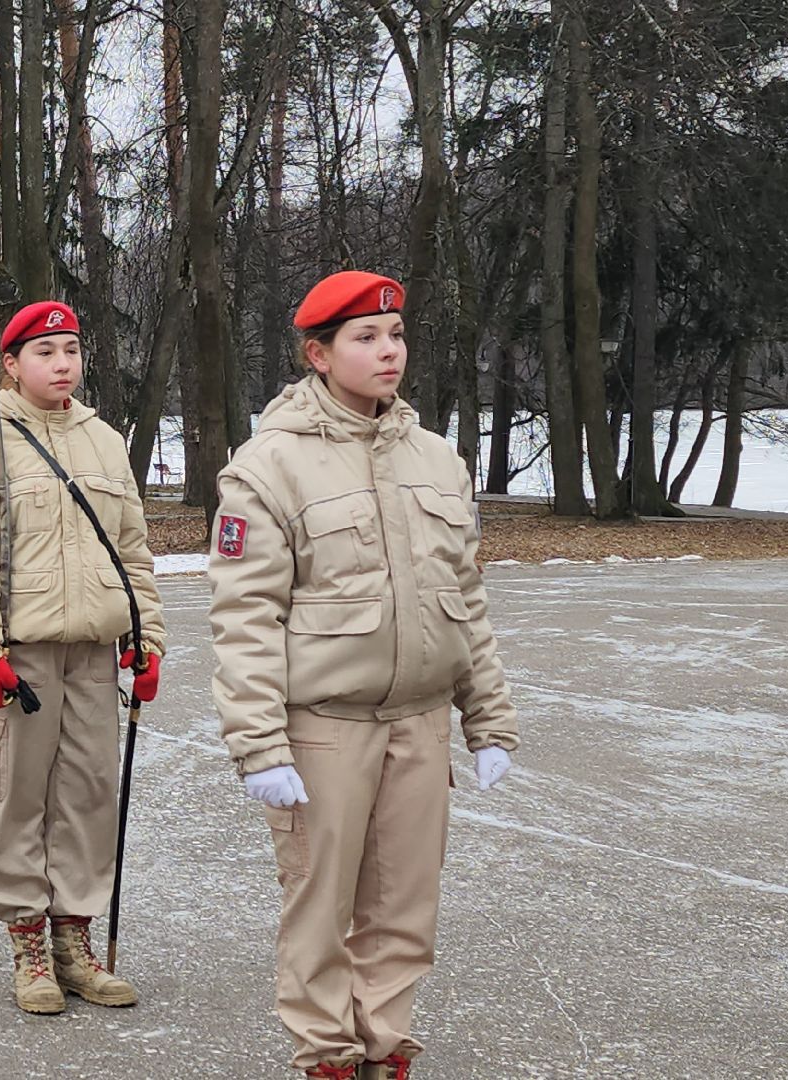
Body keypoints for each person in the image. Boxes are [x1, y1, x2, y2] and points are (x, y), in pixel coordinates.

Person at [207, 271, 520, 1080]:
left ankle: (385, 1052)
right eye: (365, 338)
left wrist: (488, 720)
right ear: (318, 355)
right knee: (321, 909)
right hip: (325, 729)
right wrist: (260, 745)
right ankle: (327, 1059)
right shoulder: (269, 467)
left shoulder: (436, 459)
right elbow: (246, 618)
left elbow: (465, 601)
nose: (389, 352)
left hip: (419, 721)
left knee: (404, 910)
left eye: (396, 335)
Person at [0, 300, 165, 1015]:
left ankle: (74, 938)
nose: (63, 364)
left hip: (93, 650)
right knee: (19, 796)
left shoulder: (104, 441)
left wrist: (145, 637)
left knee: (88, 795)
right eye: (45, 353)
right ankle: (28, 941)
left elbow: (131, 550)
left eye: (71, 350)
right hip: (21, 654)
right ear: (10, 365)